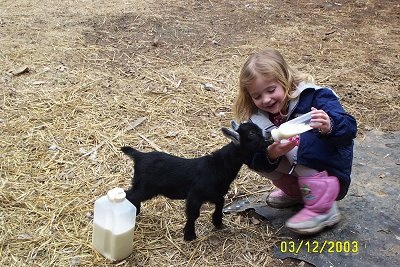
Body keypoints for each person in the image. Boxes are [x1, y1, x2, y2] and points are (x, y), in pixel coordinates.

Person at [233, 48, 357, 234]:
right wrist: (271, 153)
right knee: (251, 152)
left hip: (331, 168)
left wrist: (329, 124)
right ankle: (299, 194)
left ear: (285, 79)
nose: (265, 99)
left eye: (271, 90)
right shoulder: (257, 118)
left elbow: (349, 127)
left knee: (295, 141)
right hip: (301, 165)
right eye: (257, 96)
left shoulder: (316, 97)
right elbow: (254, 157)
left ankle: (323, 208)